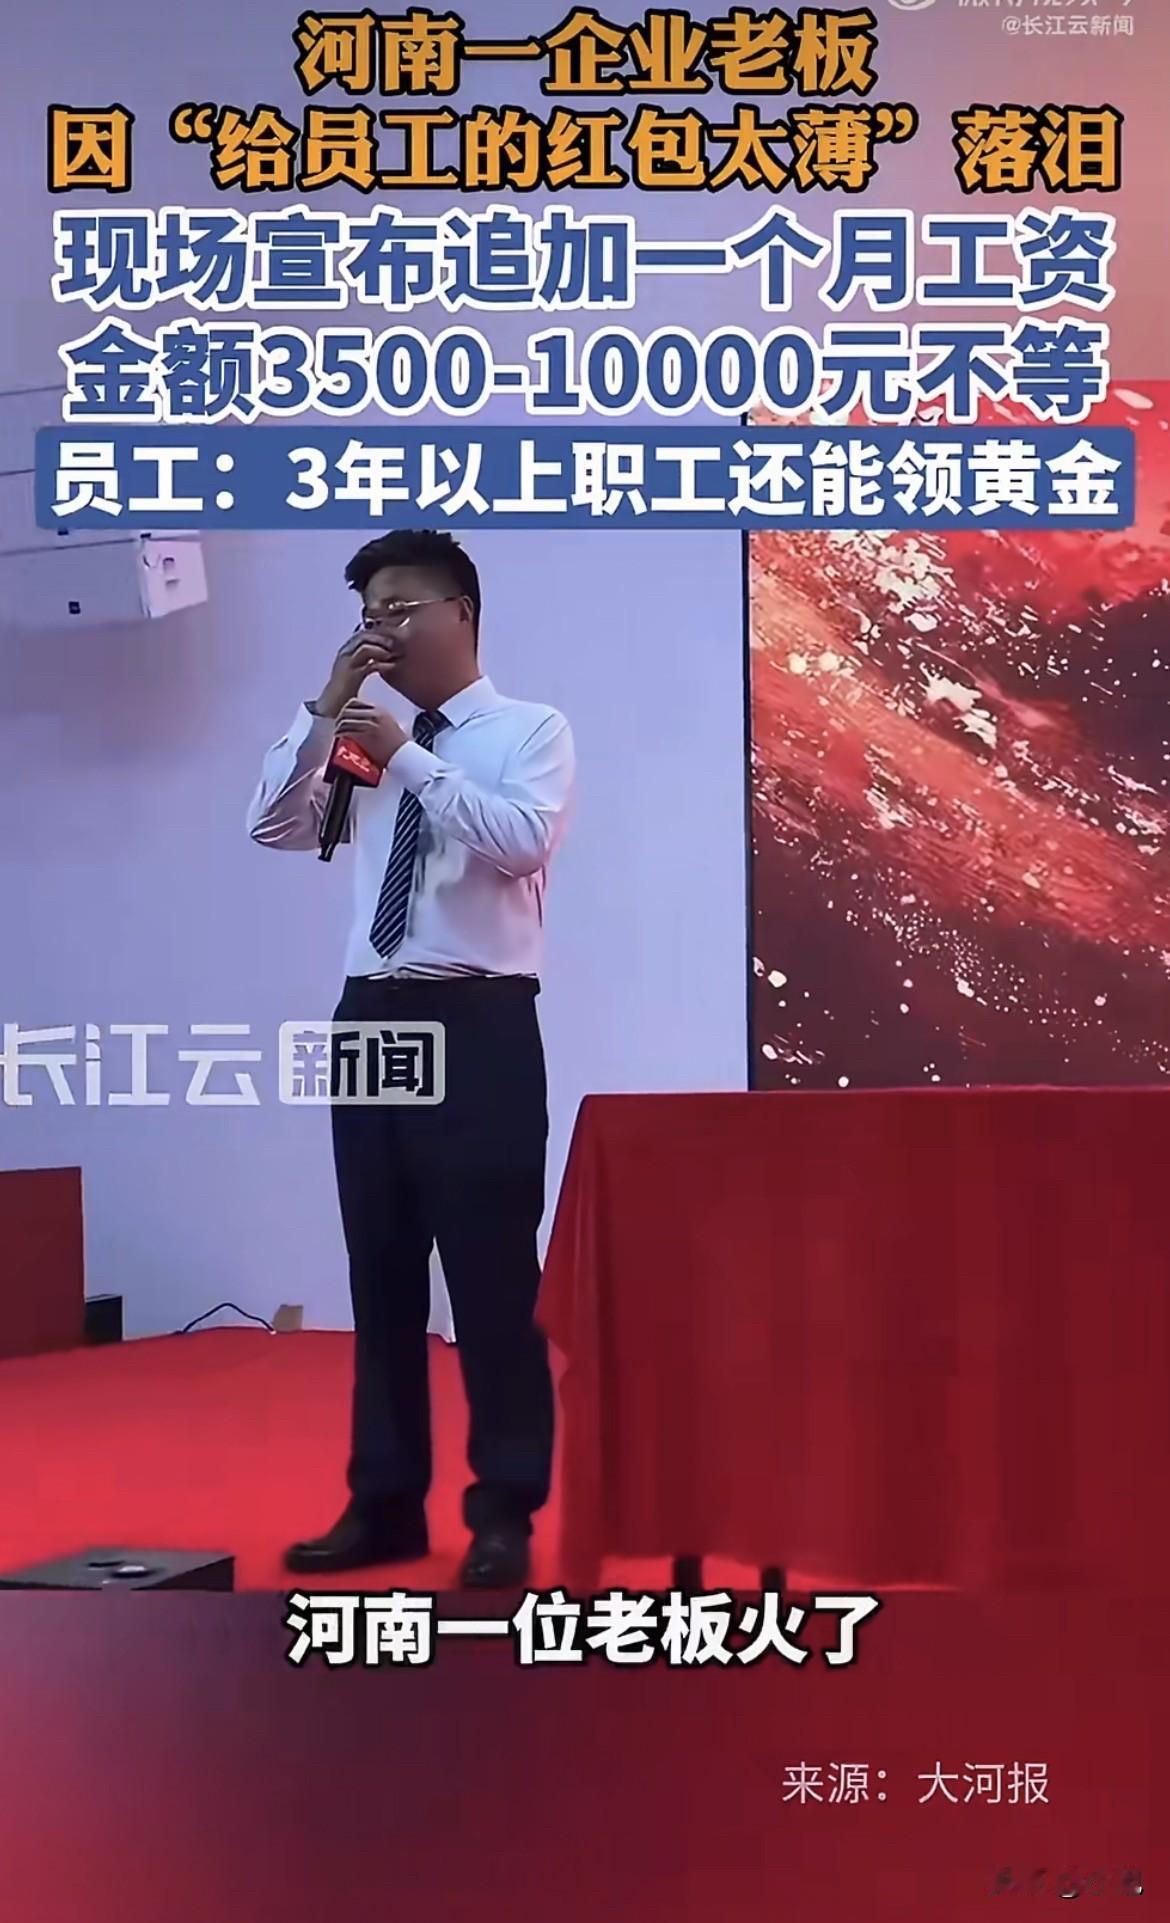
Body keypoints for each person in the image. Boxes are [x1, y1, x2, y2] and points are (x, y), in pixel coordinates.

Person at [246, 530, 574, 1588]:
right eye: (367, 615)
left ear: (460, 613)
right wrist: (322, 714)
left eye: (398, 610)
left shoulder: (528, 729)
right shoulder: (360, 738)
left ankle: (504, 1510)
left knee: (489, 1275)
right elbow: (279, 831)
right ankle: (383, 1503)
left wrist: (411, 758)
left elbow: (520, 842)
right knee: (379, 1267)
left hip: (478, 1020)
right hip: (370, 1019)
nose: (378, 630)